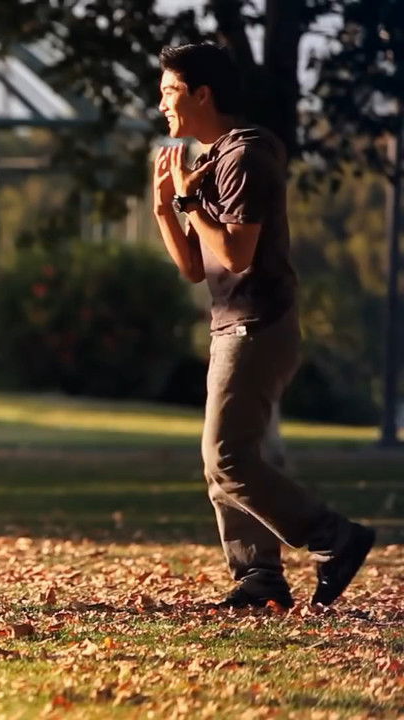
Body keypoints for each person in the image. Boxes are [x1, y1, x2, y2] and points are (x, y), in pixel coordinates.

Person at [152, 43, 374, 609]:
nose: (162, 105)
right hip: (231, 322)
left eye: (169, 91)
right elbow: (193, 268)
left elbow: (238, 252)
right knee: (224, 459)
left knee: (226, 457)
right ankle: (258, 579)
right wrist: (166, 210)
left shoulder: (247, 155)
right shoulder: (217, 158)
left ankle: (333, 537)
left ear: (203, 93)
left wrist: (187, 200)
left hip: (258, 323)